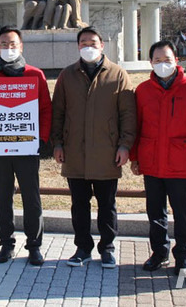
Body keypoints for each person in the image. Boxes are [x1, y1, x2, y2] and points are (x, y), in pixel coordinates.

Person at [51, 26, 136, 268]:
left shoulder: (118, 74)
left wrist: (124, 145)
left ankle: (107, 248)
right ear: (78, 46)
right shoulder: (67, 75)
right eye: (83, 42)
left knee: (107, 205)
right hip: (74, 152)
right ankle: (82, 248)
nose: (88, 46)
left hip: (106, 152)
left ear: (102, 45)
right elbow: (58, 111)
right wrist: (57, 142)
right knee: (79, 205)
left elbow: (127, 114)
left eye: (93, 42)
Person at [130, 40, 186, 275]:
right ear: (150, 63)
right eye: (157, 60)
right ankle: (159, 252)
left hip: (181, 162)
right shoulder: (143, 90)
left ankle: (183, 255)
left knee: (181, 212)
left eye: (167, 60)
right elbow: (137, 125)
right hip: (152, 161)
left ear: (176, 60)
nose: (162, 64)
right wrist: (135, 157)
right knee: (155, 212)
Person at [0, 26, 52, 266]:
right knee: (3, 197)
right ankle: (6, 244)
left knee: (32, 197)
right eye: (4, 44)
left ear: (21, 46)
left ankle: (34, 245)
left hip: (27, 148)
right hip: (0, 148)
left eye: (13, 44)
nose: (9, 48)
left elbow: (46, 110)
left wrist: (43, 139)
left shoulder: (35, 75)